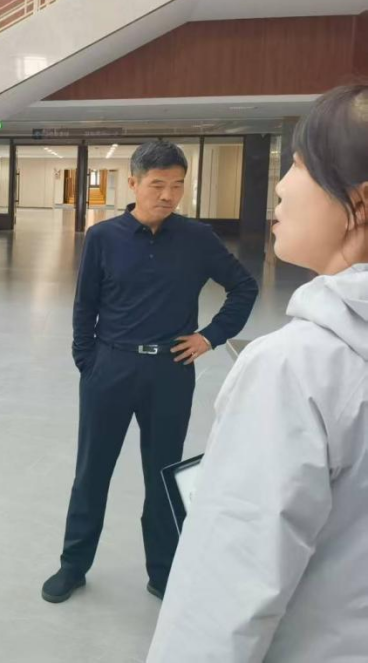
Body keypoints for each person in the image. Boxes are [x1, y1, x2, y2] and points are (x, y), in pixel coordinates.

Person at [146, 85, 368, 662]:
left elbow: (226, 592)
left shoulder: (296, 370)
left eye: (299, 166)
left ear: (359, 203)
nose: (281, 185)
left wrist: (208, 337)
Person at [42, 141, 259, 604]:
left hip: (170, 371)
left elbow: (244, 286)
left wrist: (209, 337)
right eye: (157, 184)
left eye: (177, 186)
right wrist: (88, 362)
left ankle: (162, 571)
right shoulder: (104, 237)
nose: (167, 195)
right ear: (134, 183)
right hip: (111, 368)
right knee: (92, 471)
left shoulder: (197, 238)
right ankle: (73, 565)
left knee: (162, 474)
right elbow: (85, 306)